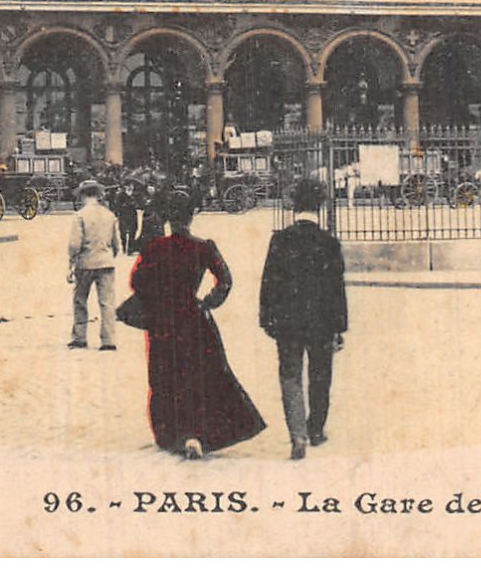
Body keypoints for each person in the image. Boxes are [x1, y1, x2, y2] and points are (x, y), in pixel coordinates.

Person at [130, 189, 265, 458]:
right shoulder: (203, 247)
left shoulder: (154, 247)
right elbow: (225, 280)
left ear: (168, 217)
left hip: (163, 321)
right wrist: (207, 302)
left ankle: (170, 433)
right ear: (192, 216)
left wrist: (156, 298)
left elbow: (137, 281)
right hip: (193, 318)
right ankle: (196, 431)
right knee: (197, 374)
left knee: (163, 374)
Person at [260, 178, 347, 460]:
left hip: (287, 321)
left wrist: (267, 319)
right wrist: (339, 326)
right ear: (320, 206)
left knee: (290, 376)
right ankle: (316, 429)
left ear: (294, 205)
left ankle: (297, 433)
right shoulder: (329, 243)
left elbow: (269, 283)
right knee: (321, 375)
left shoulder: (280, 240)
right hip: (321, 322)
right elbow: (337, 288)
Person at [67, 179, 120, 350]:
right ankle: (108, 340)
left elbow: (75, 244)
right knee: (107, 303)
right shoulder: (110, 215)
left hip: (85, 264)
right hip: (106, 262)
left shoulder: (80, 215)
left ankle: (80, 337)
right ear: (98, 195)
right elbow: (117, 244)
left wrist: (71, 263)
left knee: (80, 300)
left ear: (83, 195)